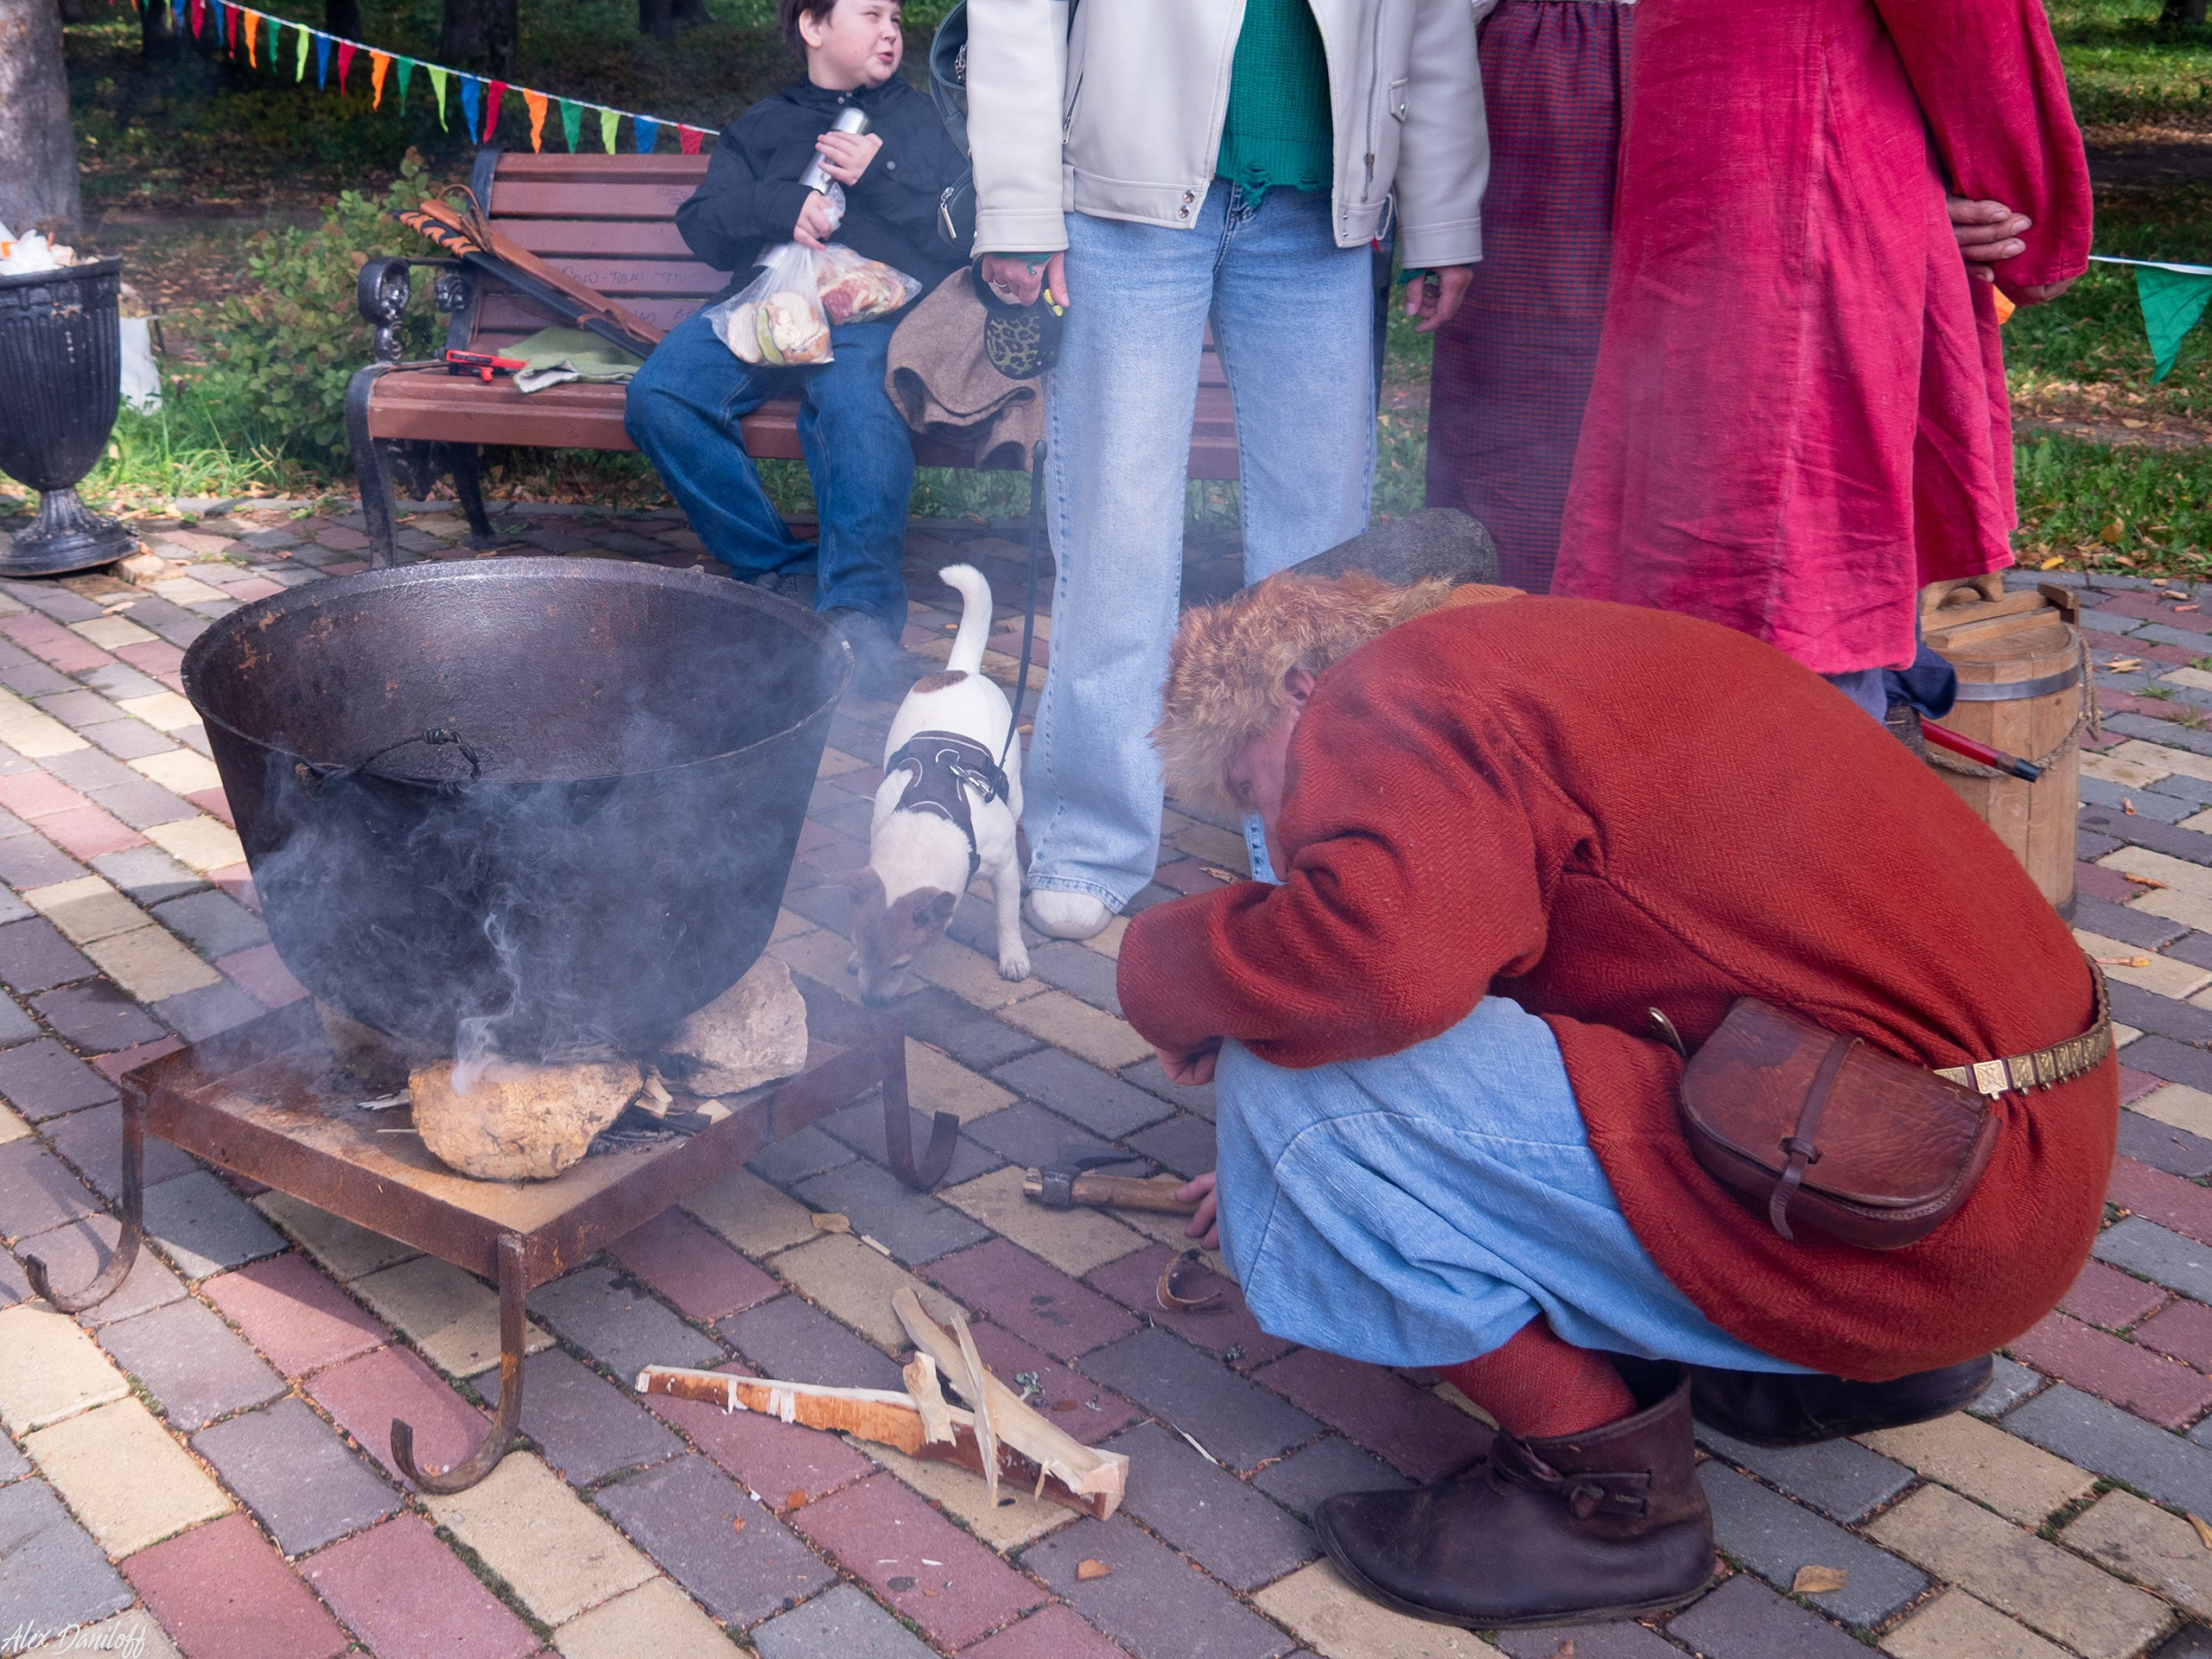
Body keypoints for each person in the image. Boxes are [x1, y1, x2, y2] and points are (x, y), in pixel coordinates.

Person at [1123, 571, 2114, 1630]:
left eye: (1250, 785)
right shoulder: (1538, 650)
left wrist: (1166, 972)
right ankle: (1851, 1374)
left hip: (1927, 1211)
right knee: (1331, 1081)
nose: (1276, 830)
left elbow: (1376, 976)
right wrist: (1298, 1184)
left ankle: (1602, 1510)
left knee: (1296, 1084)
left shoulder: (1381, 692)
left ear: (1295, 688)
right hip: (1989, 1174)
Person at [962, 0, 1490, 941]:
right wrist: (1015, 203)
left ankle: (1310, 834)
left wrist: (1442, 213)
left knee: (1324, 557)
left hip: (1320, 207)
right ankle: (1087, 837)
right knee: (1117, 528)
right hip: (1124, 193)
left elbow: (1435, 18)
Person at [1550, 0, 2093, 712]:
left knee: (1696, 533)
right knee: (1801, 556)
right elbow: (1971, 27)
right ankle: (1783, 800)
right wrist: (2040, 225)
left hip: (1715, 176)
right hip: (1803, 184)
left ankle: (1692, 782)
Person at [626, 0, 966, 697]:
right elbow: (705, 225)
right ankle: (778, 571)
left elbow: (957, 238)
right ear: (813, 27)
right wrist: (777, 206)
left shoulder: (923, 121)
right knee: (659, 395)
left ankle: (859, 620)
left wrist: (882, 175)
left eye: (897, 19)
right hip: (766, 309)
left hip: (875, 319)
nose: (891, 32)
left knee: (859, 413)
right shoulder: (763, 123)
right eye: (870, 15)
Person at [1423, 0, 1630, 594]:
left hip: (1697, 69)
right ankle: (1499, 646)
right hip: (1543, 72)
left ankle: (1661, 655)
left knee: (1680, 385)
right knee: (1518, 389)